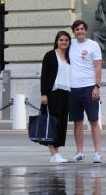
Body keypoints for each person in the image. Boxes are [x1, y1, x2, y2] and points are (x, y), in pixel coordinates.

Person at [68, 20, 103, 163]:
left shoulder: (93, 45)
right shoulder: (70, 44)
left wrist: (97, 86)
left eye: (82, 29)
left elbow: (98, 67)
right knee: (77, 122)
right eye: (77, 29)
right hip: (73, 88)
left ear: (86, 30)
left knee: (93, 121)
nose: (80, 31)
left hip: (89, 87)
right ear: (74, 32)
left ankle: (97, 153)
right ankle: (79, 152)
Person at [40, 30, 71, 163]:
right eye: (61, 40)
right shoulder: (50, 55)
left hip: (66, 93)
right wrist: (44, 94)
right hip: (53, 93)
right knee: (52, 123)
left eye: (66, 40)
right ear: (57, 41)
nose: (64, 42)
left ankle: (57, 153)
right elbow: (44, 76)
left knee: (61, 124)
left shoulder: (70, 56)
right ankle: (53, 153)